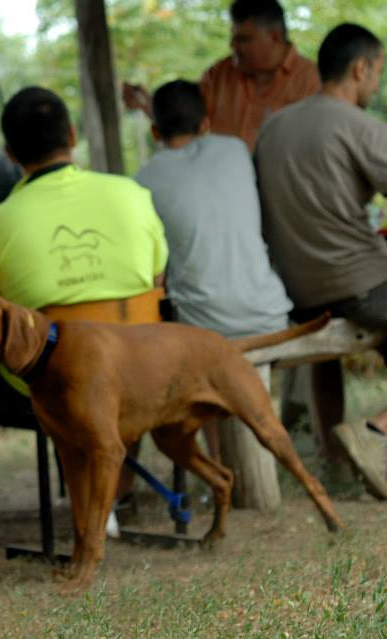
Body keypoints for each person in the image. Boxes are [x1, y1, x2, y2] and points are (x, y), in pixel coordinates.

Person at [0, 86, 168, 538]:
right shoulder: (133, 193)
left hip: (48, 389)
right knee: (102, 353)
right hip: (137, 375)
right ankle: (118, 492)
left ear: (11, 154)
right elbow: (156, 278)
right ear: (72, 135)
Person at [255, 23, 387, 499]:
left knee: (325, 358)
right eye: (378, 73)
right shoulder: (359, 126)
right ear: (360, 68)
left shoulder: (273, 127)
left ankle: (334, 461)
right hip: (359, 284)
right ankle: (376, 431)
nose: (376, 84)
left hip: (296, 293)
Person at [134, 79, 292, 460]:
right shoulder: (236, 151)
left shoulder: (144, 182)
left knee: (194, 349)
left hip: (207, 328)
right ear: (205, 123)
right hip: (270, 314)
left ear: (155, 131)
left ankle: (219, 463)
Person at [123, 0, 319, 151]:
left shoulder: (312, 80)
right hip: (226, 190)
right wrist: (149, 106)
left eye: (243, 39)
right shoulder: (219, 75)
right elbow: (184, 123)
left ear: (274, 37)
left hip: (284, 194)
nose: (233, 46)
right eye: (233, 38)